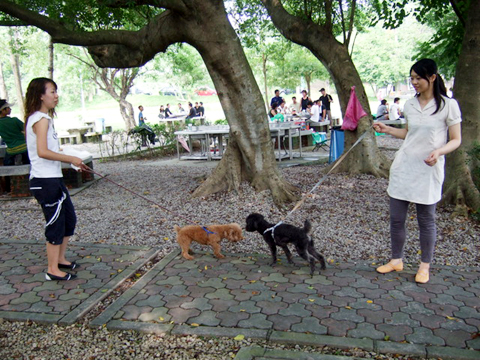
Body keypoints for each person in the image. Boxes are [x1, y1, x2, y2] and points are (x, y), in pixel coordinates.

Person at [373, 59, 462, 284]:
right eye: (411, 78)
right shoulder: (410, 105)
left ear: (432, 77)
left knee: (426, 220)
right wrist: (387, 129)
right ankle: (396, 260)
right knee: (396, 219)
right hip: (404, 167)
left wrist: (439, 152)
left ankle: (425, 266)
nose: (413, 82)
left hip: (428, 169)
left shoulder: (448, 105)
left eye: (417, 78)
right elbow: (409, 134)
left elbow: (456, 140)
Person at [25, 78, 89, 281]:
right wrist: (70, 158)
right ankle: (52, 270)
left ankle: (60, 259)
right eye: (52, 91)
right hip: (45, 181)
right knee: (55, 224)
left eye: (56, 91)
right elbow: (42, 152)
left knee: (69, 219)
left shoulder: (44, 119)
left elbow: (51, 151)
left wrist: (72, 161)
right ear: (40, 95)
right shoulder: (40, 119)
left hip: (54, 178)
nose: (56, 95)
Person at [0, 99, 29, 166]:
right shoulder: (14, 120)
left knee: (6, 165)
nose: (10, 109)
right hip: (24, 148)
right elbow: (27, 129)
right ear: (3, 110)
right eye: (8, 108)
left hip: (11, 150)